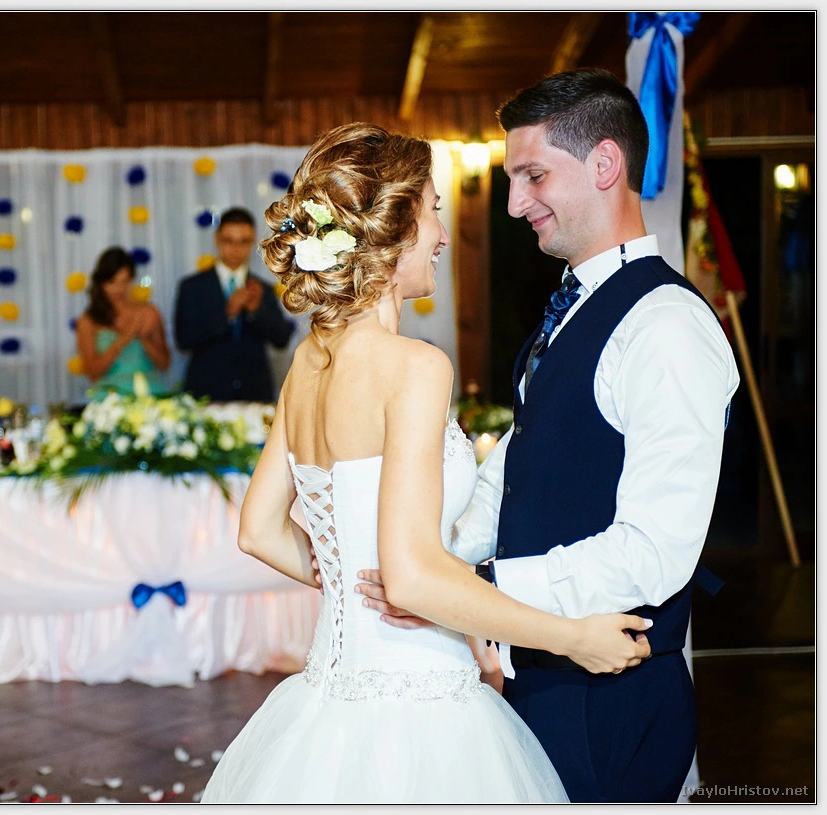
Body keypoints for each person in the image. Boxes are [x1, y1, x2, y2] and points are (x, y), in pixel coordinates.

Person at [202, 122, 651, 804]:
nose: (441, 234)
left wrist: (354, 580)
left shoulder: (307, 363)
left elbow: (259, 530)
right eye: (433, 211)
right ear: (392, 230)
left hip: (326, 698)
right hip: (418, 709)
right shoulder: (414, 367)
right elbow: (411, 576)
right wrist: (572, 637)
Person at [355, 69, 740, 803]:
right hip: (542, 674)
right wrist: (434, 562)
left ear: (604, 164)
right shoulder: (575, 304)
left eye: (532, 175)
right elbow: (525, 461)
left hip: (609, 696)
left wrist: (479, 587)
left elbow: (653, 552)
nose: (513, 203)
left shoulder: (666, 326)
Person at [173, 207, 294, 403]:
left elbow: (281, 339)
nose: (236, 249)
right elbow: (183, 340)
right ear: (216, 239)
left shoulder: (261, 288)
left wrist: (256, 310)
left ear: (253, 242)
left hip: (254, 393)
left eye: (244, 241)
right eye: (228, 240)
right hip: (206, 392)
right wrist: (227, 313)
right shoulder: (192, 286)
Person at [74, 246, 170, 397]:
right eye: (112, 282)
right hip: (109, 399)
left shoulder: (149, 312)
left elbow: (164, 364)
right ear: (101, 282)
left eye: (124, 282)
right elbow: (93, 373)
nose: (118, 289)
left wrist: (143, 338)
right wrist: (124, 338)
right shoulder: (88, 321)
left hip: (149, 395)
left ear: (131, 280)